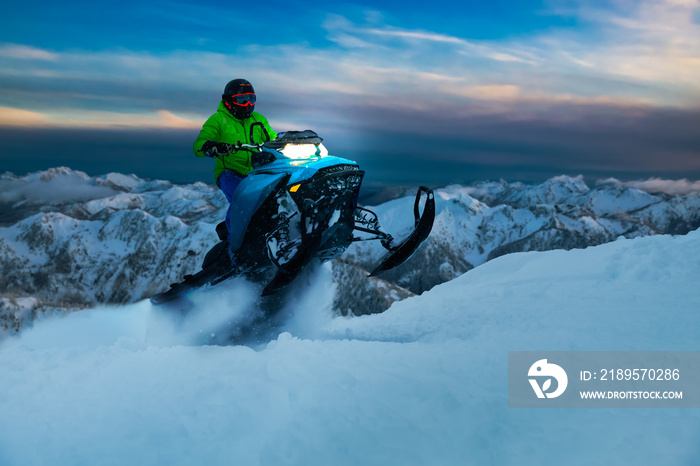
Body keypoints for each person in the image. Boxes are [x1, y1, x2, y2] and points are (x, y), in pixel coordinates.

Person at [193, 78, 277, 263]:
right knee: (243, 197)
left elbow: (272, 138)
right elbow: (198, 145)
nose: (247, 104)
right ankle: (235, 250)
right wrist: (214, 146)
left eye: (251, 99)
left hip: (257, 172)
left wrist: (283, 144)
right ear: (228, 100)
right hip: (230, 172)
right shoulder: (218, 120)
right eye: (241, 100)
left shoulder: (259, 119)